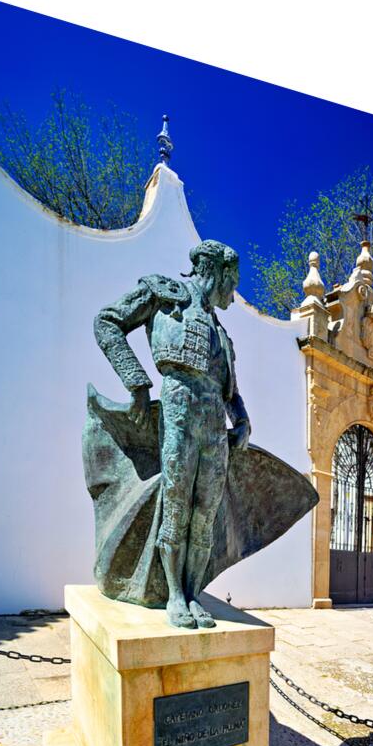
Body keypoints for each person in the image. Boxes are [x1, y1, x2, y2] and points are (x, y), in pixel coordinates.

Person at [93, 239, 250, 629]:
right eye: (232, 284)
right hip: (178, 403)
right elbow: (107, 322)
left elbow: (228, 388)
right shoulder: (164, 294)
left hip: (214, 418)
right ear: (216, 272)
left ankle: (193, 593)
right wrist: (137, 383)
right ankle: (175, 596)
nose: (232, 297)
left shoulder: (220, 332)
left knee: (205, 514)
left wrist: (242, 418)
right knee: (177, 503)